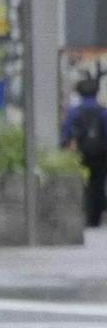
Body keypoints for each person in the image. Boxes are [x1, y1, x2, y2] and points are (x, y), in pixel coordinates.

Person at [60, 76, 107, 229]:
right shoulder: (103, 112)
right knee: (98, 185)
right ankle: (95, 218)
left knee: (82, 184)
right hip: (101, 154)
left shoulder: (75, 112)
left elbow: (66, 133)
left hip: (80, 153)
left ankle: (84, 214)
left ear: (79, 93)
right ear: (96, 92)